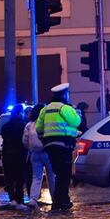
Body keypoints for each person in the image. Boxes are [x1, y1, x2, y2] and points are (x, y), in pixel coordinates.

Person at [36, 82, 81, 211]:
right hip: (63, 146)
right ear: (64, 95)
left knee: (58, 174)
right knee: (64, 175)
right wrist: (76, 112)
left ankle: (61, 201)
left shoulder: (45, 109)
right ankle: (59, 202)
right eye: (67, 94)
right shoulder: (64, 108)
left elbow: (39, 128)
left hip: (50, 147)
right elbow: (76, 121)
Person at [23, 104, 54, 208]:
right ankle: (55, 198)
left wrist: (30, 148)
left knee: (36, 177)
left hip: (34, 154)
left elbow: (25, 140)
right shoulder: (47, 123)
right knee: (51, 176)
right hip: (48, 153)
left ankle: (33, 199)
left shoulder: (29, 125)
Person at [1, 104, 29, 209]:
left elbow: (4, 137)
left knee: (9, 177)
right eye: (22, 112)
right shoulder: (24, 125)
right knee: (19, 178)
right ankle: (19, 199)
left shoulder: (6, 126)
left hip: (7, 154)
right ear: (19, 113)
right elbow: (25, 140)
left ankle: (12, 199)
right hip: (20, 154)